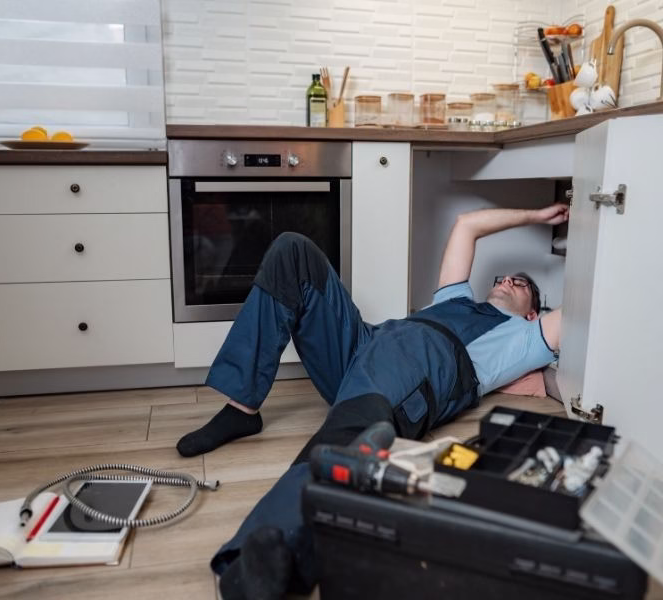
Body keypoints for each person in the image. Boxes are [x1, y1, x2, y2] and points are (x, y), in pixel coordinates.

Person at [176, 204, 569, 600]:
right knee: (292, 250)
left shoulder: (523, 337)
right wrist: (537, 216)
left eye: (519, 284)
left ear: (532, 312)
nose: (506, 280)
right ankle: (242, 409)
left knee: (343, 437)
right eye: (503, 277)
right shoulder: (456, 296)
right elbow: (467, 225)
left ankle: (258, 559)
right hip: (364, 344)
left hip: (415, 371)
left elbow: (582, 308)